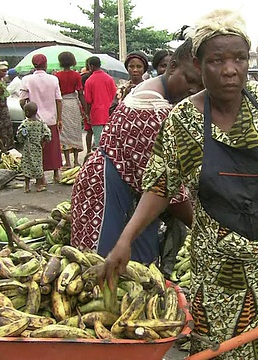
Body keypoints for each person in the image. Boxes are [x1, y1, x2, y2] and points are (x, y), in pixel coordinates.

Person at [101, 10, 258, 360]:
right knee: (225, 351)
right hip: (222, 272)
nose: (230, 69)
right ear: (198, 64)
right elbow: (160, 187)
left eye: (239, 58)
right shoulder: (183, 119)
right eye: (217, 60)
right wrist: (125, 239)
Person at [71, 38, 203, 262]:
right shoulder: (151, 109)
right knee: (103, 272)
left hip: (128, 189)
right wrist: (203, 230)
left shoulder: (154, 91)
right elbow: (167, 187)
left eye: (201, 86)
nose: (194, 90)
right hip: (107, 193)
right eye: (190, 80)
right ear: (172, 67)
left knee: (137, 276)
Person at [19, 54, 63, 185]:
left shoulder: (27, 79)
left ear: (33, 64)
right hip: (51, 119)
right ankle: (56, 174)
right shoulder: (53, 79)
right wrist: (59, 118)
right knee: (54, 148)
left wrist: (28, 113)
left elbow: (22, 100)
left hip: (35, 120)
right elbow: (59, 100)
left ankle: (41, 177)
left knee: (37, 150)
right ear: (46, 64)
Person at [55, 51, 86, 168]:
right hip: (73, 104)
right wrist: (85, 109)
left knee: (64, 133)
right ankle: (76, 161)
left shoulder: (57, 76)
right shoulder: (77, 75)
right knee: (75, 131)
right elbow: (80, 93)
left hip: (62, 104)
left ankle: (67, 161)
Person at [16, 102, 51, 193]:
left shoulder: (25, 124)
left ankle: (27, 186)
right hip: (37, 148)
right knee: (38, 166)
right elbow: (47, 133)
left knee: (27, 166)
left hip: (27, 148)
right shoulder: (40, 123)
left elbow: (19, 135)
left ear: (27, 112)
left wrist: (22, 140)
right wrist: (44, 141)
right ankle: (39, 185)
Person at [84, 56, 117, 149]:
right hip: (110, 114)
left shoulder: (89, 81)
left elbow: (88, 101)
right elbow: (115, 96)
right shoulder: (109, 79)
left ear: (91, 66)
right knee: (110, 141)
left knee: (99, 142)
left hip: (96, 114)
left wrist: (87, 114)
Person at [81, 60, 94, 154]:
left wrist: (85, 111)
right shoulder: (105, 77)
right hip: (99, 107)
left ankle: (88, 151)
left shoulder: (84, 77)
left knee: (89, 131)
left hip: (86, 106)